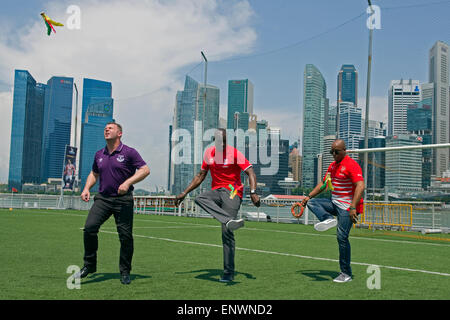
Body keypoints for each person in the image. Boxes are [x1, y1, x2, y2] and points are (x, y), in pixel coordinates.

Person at [175, 128, 260, 282]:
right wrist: (184, 192)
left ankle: (228, 273)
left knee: (226, 233)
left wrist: (253, 192)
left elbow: (250, 172)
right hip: (216, 191)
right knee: (200, 198)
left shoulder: (234, 153)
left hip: (233, 191)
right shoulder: (209, 154)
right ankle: (227, 220)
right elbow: (200, 176)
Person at [76, 122, 150, 285]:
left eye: (110, 128)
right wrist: (87, 188)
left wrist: (127, 183)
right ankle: (89, 265)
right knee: (89, 228)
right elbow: (94, 173)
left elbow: (145, 170)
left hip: (123, 200)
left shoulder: (129, 152)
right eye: (105, 128)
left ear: (120, 133)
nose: (106, 129)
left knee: (125, 237)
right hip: (103, 199)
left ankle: (124, 271)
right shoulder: (99, 154)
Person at [301, 139, 364, 283]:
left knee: (341, 237)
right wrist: (308, 196)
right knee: (312, 203)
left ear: (344, 151)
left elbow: (360, 186)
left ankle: (346, 273)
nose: (334, 154)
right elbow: (323, 185)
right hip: (334, 204)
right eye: (331, 152)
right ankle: (327, 218)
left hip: (347, 207)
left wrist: (353, 207)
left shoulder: (351, 165)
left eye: (336, 152)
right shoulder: (332, 166)